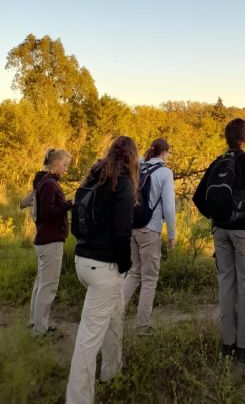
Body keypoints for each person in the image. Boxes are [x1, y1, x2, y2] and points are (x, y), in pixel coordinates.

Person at [66, 136, 138, 404]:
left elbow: (77, 220)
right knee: (88, 339)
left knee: (115, 316)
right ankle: (78, 398)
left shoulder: (93, 176)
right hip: (105, 267)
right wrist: (125, 265)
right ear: (132, 156)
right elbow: (122, 232)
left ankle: (111, 370)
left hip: (83, 261)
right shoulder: (123, 183)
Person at [193, 118, 245, 362]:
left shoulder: (218, 162)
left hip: (221, 231)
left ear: (227, 138)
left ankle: (228, 344)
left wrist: (217, 217)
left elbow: (198, 197)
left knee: (226, 284)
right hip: (244, 231)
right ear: (244, 139)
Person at [123, 138, 176, 332]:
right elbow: (169, 207)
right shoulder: (164, 173)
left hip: (132, 227)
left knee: (134, 272)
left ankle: (114, 315)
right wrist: (172, 234)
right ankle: (143, 326)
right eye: (168, 153)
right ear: (164, 153)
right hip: (150, 229)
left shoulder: (138, 168)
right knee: (150, 279)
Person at [28, 147, 72, 336]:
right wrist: (67, 206)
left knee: (42, 282)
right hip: (50, 240)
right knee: (49, 284)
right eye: (64, 165)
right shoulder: (49, 184)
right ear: (55, 164)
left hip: (45, 239)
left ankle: (36, 322)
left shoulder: (46, 182)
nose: (65, 169)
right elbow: (46, 213)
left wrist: (62, 206)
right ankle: (39, 330)